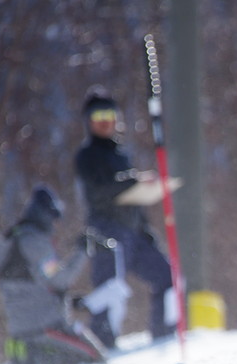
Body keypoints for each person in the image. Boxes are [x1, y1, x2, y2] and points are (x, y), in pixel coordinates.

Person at [75, 93, 176, 348]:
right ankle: (101, 345)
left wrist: (145, 229)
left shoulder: (121, 154)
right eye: (98, 116)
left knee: (166, 275)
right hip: (106, 230)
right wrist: (134, 181)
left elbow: (132, 198)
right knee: (111, 288)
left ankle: (164, 336)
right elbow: (100, 192)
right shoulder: (87, 156)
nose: (105, 121)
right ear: (88, 121)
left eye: (110, 115)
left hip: (133, 232)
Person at [0, 185, 105, 364]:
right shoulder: (34, 242)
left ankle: (29, 360)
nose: (54, 224)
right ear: (44, 214)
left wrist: (67, 300)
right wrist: (83, 250)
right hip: (46, 329)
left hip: (18, 331)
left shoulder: (6, 240)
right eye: (53, 217)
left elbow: (28, 287)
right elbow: (60, 280)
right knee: (96, 357)